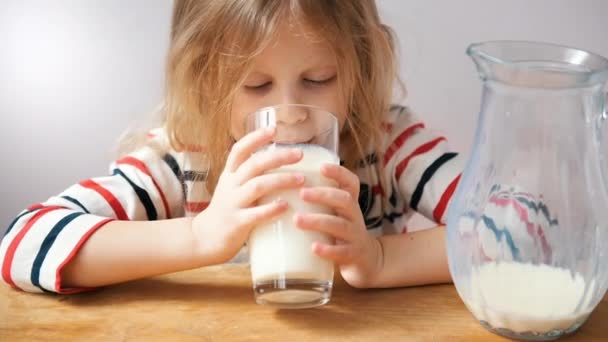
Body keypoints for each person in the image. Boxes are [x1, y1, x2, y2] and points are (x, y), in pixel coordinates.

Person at [0, 0, 463, 294]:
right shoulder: (181, 161)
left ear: (359, 66)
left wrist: (380, 260)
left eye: (318, 79)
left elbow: (521, 225)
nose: (291, 113)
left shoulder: (385, 144)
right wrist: (200, 236)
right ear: (206, 85)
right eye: (256, 85)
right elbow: (22, 243)